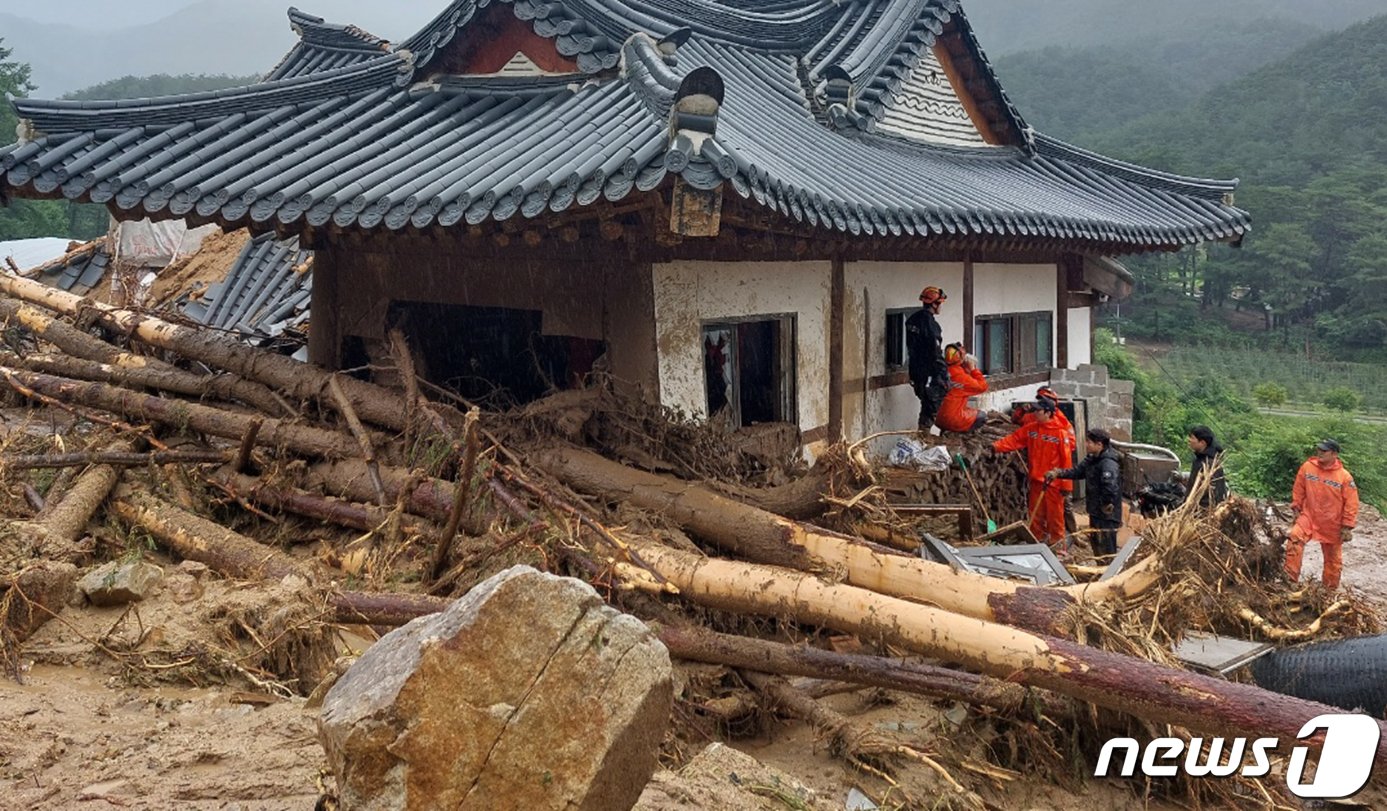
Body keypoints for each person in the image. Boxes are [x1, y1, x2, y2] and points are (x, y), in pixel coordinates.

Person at [993, 398, 1074, 552]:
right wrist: (996, 447)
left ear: (1048, 413)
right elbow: (1014, 439)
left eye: (1038, 411)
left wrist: (1066, 485)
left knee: (1055, 519)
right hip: (1036, 480)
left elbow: (1066, 461)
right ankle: (1036, 546)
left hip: (1053, 485)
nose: (1035, 413)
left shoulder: (1060, 433)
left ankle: (1059, 549)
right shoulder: (1032, 429)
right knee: (1035, 516)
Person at [1284, 439, 1358, 591]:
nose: (1319, 453)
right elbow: (1299, 488)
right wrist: (1296, 507)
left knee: (1333, 558)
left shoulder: (1344, 477)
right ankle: (1289, 580)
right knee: (1295, 538)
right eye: (1319, 449)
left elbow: (1351, 503)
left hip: (1332, 521)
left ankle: (1329, 589)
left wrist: (1347, 526)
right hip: (1309, 515)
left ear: (1334, 454)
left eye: (1324, 451)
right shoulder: (1308, 467)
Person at [1046, 428, 1123, 557]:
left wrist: (1106, 504)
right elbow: (1077, 472)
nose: (1086, 444)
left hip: (1107, 514)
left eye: (1089, 442)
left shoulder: (1108, 464)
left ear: (1099, 444)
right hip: (1095, 510)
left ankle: (1109, 571)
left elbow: (1110, 488)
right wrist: (1059, 473)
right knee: (1096, 543)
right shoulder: (1092, 459)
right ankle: (1100, 568)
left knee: (1107, 547)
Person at [906, 286, 948, 430]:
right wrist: (942, 373)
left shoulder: (912, 319)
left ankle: (923, 434)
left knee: (926, 402)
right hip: (929, 371)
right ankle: (924, 435)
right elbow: (934, 351)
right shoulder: (930, 325)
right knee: (931, 405)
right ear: (934, 304)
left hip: (915, 370)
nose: (941, 307)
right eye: (940, 303)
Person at [936, 343, 987, 433]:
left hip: (938, 418)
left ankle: (946, 432)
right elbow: (982, 387)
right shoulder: (960, 376)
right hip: (952, 419)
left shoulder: (942, 371)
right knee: (982, 416)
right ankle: (962, 435)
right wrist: (973, 369)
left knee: (965, 408)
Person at [1185, 425, 1229, 507]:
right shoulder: (1199, 460)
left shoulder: (1210, 464)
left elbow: (1215, 495)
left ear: (1202, 443)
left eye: (1192, 438)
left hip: (1203, 512)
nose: (1189, 440)